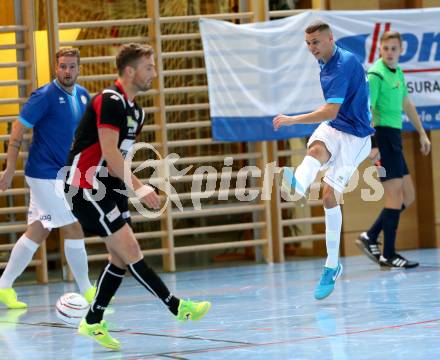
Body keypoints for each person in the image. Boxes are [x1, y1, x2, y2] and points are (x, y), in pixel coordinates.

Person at [65, 43, 211, 351]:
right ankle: (176, 306)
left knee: (119, 257)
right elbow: (108, 152)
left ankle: (92, 322)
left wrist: (129, 186)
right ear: (130, 71)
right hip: (86, 184)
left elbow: (123, 157)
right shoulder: (109, 100)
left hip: (111, 185)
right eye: (149, 67)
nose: (154, 73)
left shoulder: (137, 111)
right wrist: (140, 188)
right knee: (130, 249)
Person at [273, 21, 373, 300]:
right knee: (314, 151)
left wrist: (293, 119)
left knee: (329, 196)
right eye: (307, 43)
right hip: (337, 127)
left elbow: (330, 110)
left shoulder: (343, 64)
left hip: (355, 137)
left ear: (331, 39)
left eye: (316, 42)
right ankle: (300, 184)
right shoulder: (326, 61)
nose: (311, 48)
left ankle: (332, 265)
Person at [0, 48, 95, 308]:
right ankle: (89, 293)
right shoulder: (44, 96)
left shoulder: (84, 96)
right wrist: (9, 169)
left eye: (72, 66)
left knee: (39, 230)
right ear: (56, 67)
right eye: (63, 66)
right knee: (74, 227)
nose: (67, 71)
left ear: (79, 68)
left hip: (62, 175)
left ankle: (3, 286)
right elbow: (17, 130)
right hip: (43, 174)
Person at [356, 31, 431, 269]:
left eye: (394, 49)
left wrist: (422, 133)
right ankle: (388, 254)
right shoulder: (376, 74)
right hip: (382, 137)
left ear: (400, 50)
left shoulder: (398, 73)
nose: (389, 53)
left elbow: (407, 104)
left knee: (407, 196)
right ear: (380, 50)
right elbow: (366, 110)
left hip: (394, 138)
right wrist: (372, 145)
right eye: (386, 48)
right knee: (393, 196)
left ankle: (370, 235)